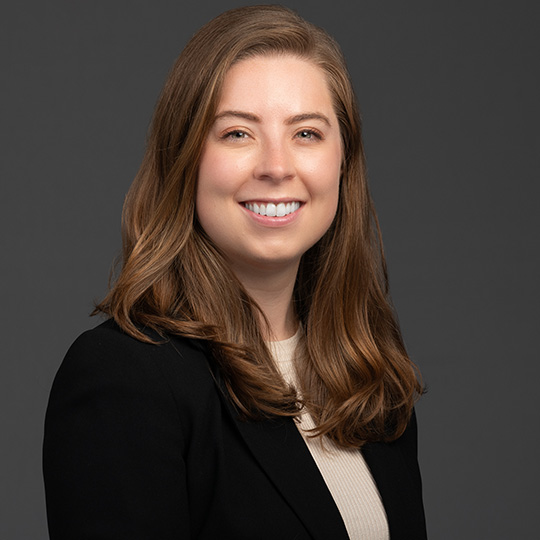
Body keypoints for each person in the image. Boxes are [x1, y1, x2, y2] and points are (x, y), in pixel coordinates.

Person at [43, 5, 426, 539]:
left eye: (307, 134)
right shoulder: (122, 377)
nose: (275, 165)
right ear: (186, 158)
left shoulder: (368, 379)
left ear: (344, 161)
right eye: (238, 134)